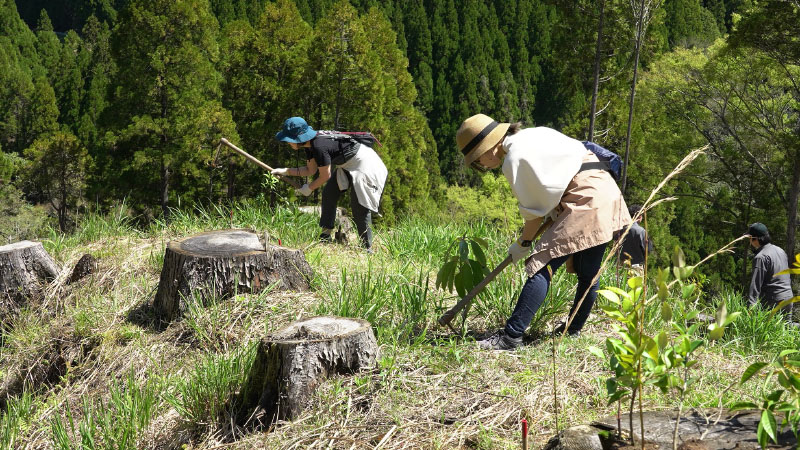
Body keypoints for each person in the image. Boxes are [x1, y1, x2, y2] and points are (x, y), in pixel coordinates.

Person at [456, 114, 631, 350]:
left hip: (585, 197)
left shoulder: (514, 159)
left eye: (478, 160)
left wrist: (524, 243)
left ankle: (510, 336)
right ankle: (573, 330)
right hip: (605, 191)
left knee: (541, 264)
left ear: (487, 150)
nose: (483, 166)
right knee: (589, 273)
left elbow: (534, 214)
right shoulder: (533, 133)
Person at [272, 117, 388, 252]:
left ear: (298, 138)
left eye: (288, 139)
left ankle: (367, 248)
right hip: (348, 164)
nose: (287, 142)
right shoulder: (309, 145)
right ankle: (325, 235)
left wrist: (309, 188)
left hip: (367, 164)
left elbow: (325, 176)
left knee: (360, 206)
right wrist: (286, 171)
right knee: (329, 194)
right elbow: (311, 170)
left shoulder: (319, 146)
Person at [746, 222, 795, 320]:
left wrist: (750, 309)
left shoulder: (760, 257)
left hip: (773, 300)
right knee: (785, 330)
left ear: (755, 239)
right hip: (788, 297)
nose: (749, 241)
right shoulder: (780, 251)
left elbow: (755, 285)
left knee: (767, 332)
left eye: (750, 238)